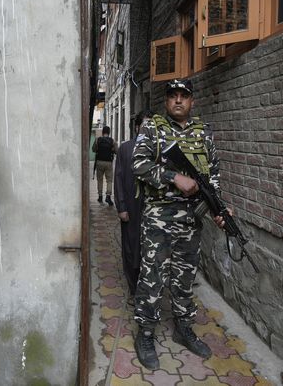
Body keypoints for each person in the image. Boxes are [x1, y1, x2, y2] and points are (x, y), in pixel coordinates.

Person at [131, 79, 231, 370]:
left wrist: (219, 208)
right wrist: (173, 177)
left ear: (192, 101)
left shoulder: (203, 133)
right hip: (159, 217)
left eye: (183, 96)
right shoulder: (153, 128)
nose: (178, 101)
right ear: (166, 101)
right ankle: (146, 334)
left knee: (184, 277)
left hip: (191, 219)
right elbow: (138, 164)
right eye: (172, 96)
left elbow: (212, 177)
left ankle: (183, 329)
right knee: (152, 277)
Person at [113, 110, 153, 301]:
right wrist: (121, 207)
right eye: (145, 125)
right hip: (130, 205)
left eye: (151, 126)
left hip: (152, 208)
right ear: (137, 127)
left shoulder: (157, 150)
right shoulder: (125, 149)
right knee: (130, 247)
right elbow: (118, 178)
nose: (147, 130)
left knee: (149, 248)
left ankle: (148, 287)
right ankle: (133, 288)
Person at [92, 125, 116, 205]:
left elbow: (93, 149)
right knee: (109, 180)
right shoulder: (112, 141)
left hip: (99, 162)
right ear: (109, 132)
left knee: (100, 180)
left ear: (102, 132)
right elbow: (117, 151)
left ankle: (100, 196)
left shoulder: (98, 140)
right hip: (109, 162)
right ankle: (108, 196)